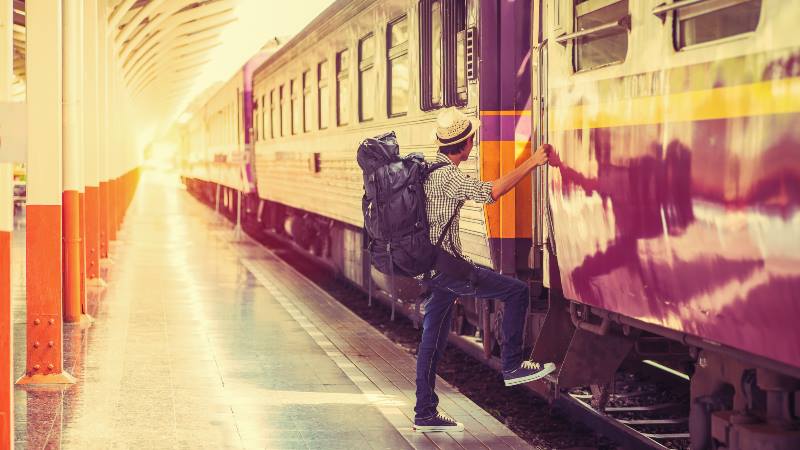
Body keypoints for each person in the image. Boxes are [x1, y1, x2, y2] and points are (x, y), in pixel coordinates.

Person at [413, 108, 556, 433]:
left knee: (431, 340)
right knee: (516, 291)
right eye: (472, 141)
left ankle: (424, 412)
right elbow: (491, 193)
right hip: (448, 269)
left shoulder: (427, 168)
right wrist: (533, 162)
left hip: (434, 268)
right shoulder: (448, 176)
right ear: (466, 145)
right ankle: (512, 365)